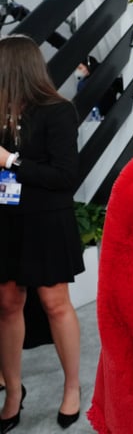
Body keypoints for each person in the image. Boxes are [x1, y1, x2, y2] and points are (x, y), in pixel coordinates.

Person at [0, 34, 85, 432]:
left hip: (47, 221)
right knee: (7, 303)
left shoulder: (57, 112)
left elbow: (65, 176)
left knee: (55, 303)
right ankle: (14, 392)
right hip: (6, 222)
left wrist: (12, 161)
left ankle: (72, 387)